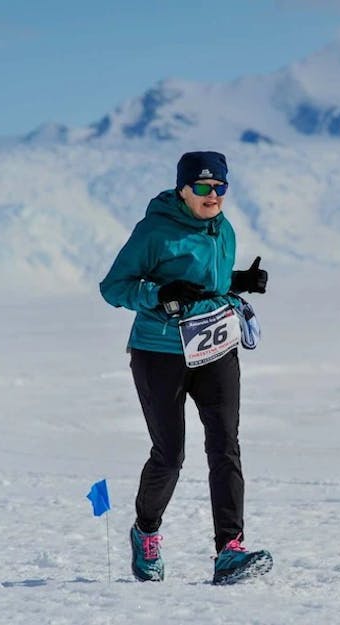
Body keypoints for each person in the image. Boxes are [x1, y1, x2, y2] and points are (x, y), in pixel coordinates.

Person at [99, 151, 272, 585]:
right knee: (170, 454)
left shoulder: (223, 229)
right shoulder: (154, 232)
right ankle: (146, 531)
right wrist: (158, 294)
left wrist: (238, 282)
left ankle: (230, 550)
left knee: (224, 446)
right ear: (183, 189)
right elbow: (114, 286)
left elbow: (203, 282)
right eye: (202, 187)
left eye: (220, 187)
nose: (212, 195)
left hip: (214, 346)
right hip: (159, 353)